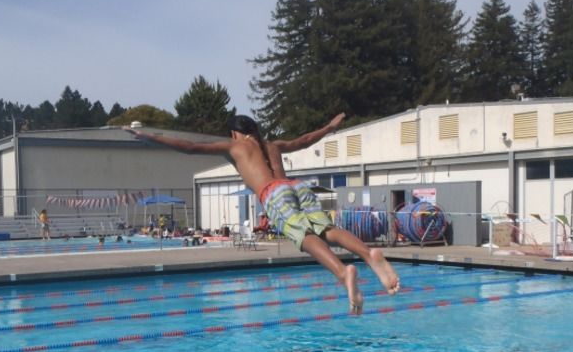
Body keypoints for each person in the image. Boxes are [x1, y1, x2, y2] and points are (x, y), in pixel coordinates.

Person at [124, 113, 400, 313]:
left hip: (274, 193)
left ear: (234, 133)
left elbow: (191, 148)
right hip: (297, 187)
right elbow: (305, 140)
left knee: (303, 236)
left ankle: (342, 272)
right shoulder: (273, 146)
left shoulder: (235, 147)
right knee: (326, 230)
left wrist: (149, 137)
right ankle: (368, 253)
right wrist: (329, 127)